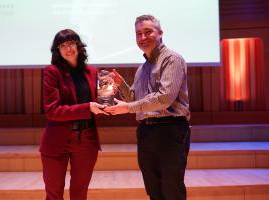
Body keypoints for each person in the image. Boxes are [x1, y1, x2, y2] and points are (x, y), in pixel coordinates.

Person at [105, 15, 191, 200]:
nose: (143, 37)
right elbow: (136, 99)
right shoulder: (141, 68)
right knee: (154, 191)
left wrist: (128, 108)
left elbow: (165, 98)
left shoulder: (172, 59)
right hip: (146, 131)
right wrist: (121, 85)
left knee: (172, 190)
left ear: (160, 33)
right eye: (138, 34)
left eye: (148, 32)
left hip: (170, 130)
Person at [40, 29, 107, 200]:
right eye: (63, 45)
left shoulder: (92, 71)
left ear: (78, 45)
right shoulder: (52, 72)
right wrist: (88, 107)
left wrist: (109, 94)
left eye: (71, 43)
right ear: (57, 51)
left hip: (86, 139)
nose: (68, 48)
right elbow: (52, 111)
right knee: (54, 194)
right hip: (58, 139)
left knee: (80, 194)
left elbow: (98, 106)